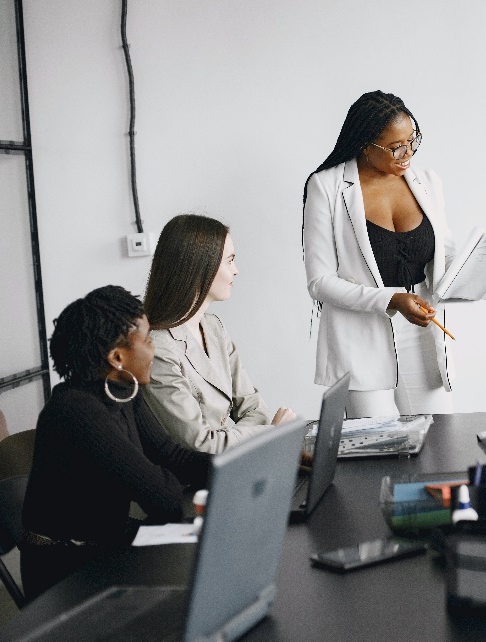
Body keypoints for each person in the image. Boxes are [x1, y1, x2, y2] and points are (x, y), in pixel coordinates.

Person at [303, 91, 486, 417]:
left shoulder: (427, 182)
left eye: (412, 140)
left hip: (422, 330)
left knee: (439, 443)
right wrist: (391, 300)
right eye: (396, 147)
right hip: (362, 336)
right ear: (365, 145)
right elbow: (320, 282)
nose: (407, 152)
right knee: (377, 448)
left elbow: (446, 263)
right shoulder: (327, 187)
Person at [21, 286, 211, 599]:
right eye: (148, 339)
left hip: (106, 548)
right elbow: (162, 498)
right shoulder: (75, 411)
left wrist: (240, 466)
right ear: (117, 357)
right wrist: (175, 483)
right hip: (67, 577)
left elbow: (173, 456)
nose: (154, 349)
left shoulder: (121, 393)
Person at [142, 214, 296, 453]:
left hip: (233, 463)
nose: (236, 271)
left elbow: (255, 408)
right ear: (199, 266)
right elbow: (201, 444)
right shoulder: (158, 349)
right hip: (194, 481)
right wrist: (270, 433)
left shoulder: (214, 327)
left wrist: (233, 437)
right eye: (230, 261)